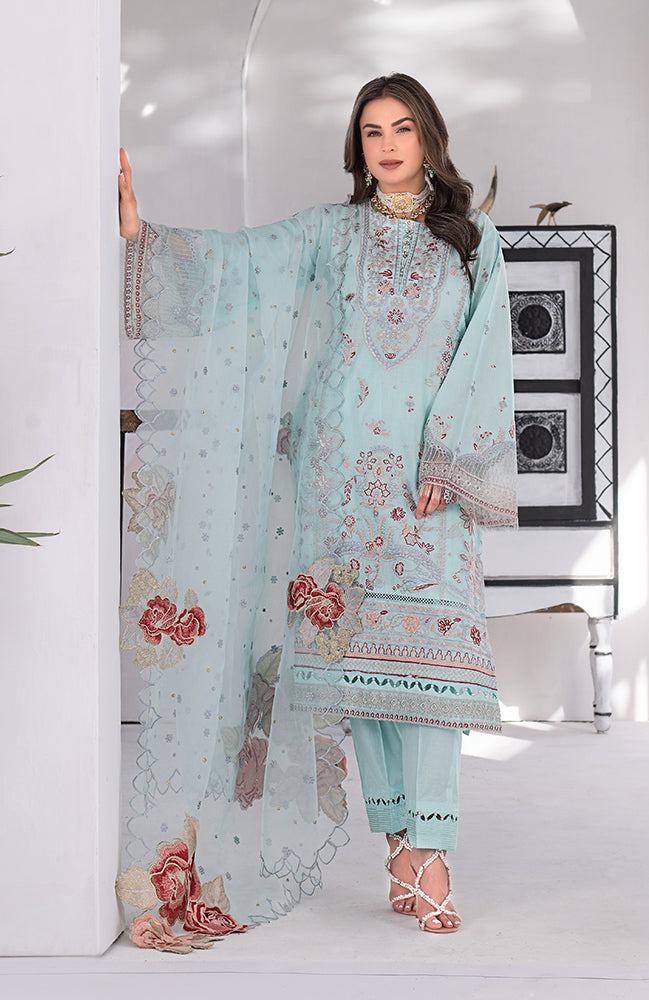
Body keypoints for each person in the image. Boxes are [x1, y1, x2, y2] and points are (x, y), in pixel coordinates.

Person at [116, 73, 516, 946]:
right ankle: (400, 840)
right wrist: (146, 236)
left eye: (402, 127)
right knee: (359, 667)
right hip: (337, 475)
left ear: (429, 136)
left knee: (437, 669)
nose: (388, 144)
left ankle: (437, 846)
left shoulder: (473, 238)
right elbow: (240, 264)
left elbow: (486, 352)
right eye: (372, 131)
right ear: (357, 145)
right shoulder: (330, 233)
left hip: (427, 477)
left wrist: (449, 458)